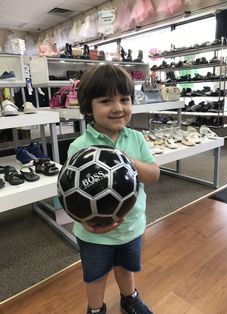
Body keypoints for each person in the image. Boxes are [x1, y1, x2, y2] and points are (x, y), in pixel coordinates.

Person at [68, 64, 160, 314]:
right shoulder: (80, 146)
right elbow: (69, 193)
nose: (118, 107)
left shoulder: (136, 139)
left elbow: (154, 175)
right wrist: (83, 221)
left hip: (131, 226)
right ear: (88, 106)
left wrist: (128, 161)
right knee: (96, 276)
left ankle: (129, 298)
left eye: (124, 99)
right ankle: (96, 309)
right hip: (94, 233)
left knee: (126, 267)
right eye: (106, 100)